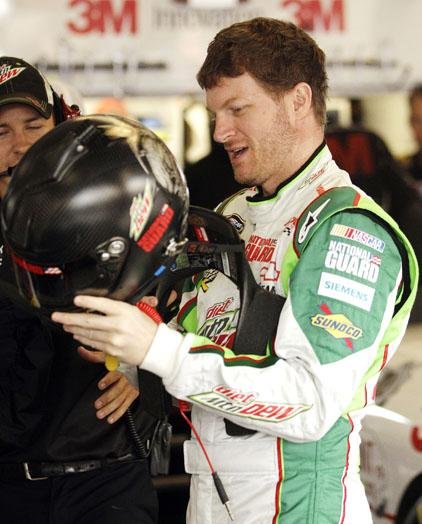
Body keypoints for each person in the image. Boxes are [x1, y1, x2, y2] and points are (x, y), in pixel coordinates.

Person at [40, 18, 419, 523]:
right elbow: (201, 338)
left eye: (238, 109)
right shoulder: (234, 213)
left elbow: (307, 402)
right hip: (211, 492)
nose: (220, 132)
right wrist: (135, 356)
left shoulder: (347, 228)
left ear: (299, 101)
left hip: (299, 506)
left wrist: (158, 350)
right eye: (215, 113)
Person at [0, 57, 158, 524]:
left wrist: (144, 364)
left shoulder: (113, 213)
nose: (21, 145)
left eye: (33, 125)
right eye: (1, 132)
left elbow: (177, 300)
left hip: (105, 482)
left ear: (60, 127)